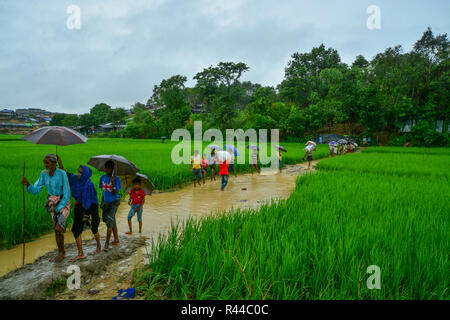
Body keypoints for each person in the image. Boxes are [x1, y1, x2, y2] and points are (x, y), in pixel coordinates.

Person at [21, 154, 71, 263]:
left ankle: (62, 253)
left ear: (54, 163)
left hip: (63, 203)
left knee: (59, 228)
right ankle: (61, 251)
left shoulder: (62, 173)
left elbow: (67, 192)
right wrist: (28, 184)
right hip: (52, 203)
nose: (45, 165)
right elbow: (36, 189)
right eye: (44, 163)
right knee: (56, 229)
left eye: (47, 163)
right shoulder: (44, 174)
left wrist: (60, 207)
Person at [58, 156, 101, 260]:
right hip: (80, 205)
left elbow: (88, 200)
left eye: (81, 172)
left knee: (94, 227)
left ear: (85, 174)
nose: (79, 174)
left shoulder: (88, 184)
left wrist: (86, 214)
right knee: (76, 229)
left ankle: (99, 246)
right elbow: (67, 175)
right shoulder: (75, 179)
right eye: (78, 172)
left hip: (91, 206)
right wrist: (60, 163)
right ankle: (81, 253)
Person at [99, 160, 122, 252]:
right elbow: (103, 192)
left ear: (112, 169)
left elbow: (115, 192)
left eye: (109, 168)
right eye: (106, 167)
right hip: (106, 202)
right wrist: (102, 202)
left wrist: (113, 183)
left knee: (109, 222)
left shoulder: (116, 179)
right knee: (112, 220)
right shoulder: (102, 178)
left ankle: (106, 244)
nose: (107, 169)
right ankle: (116, 240)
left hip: (114, 202)